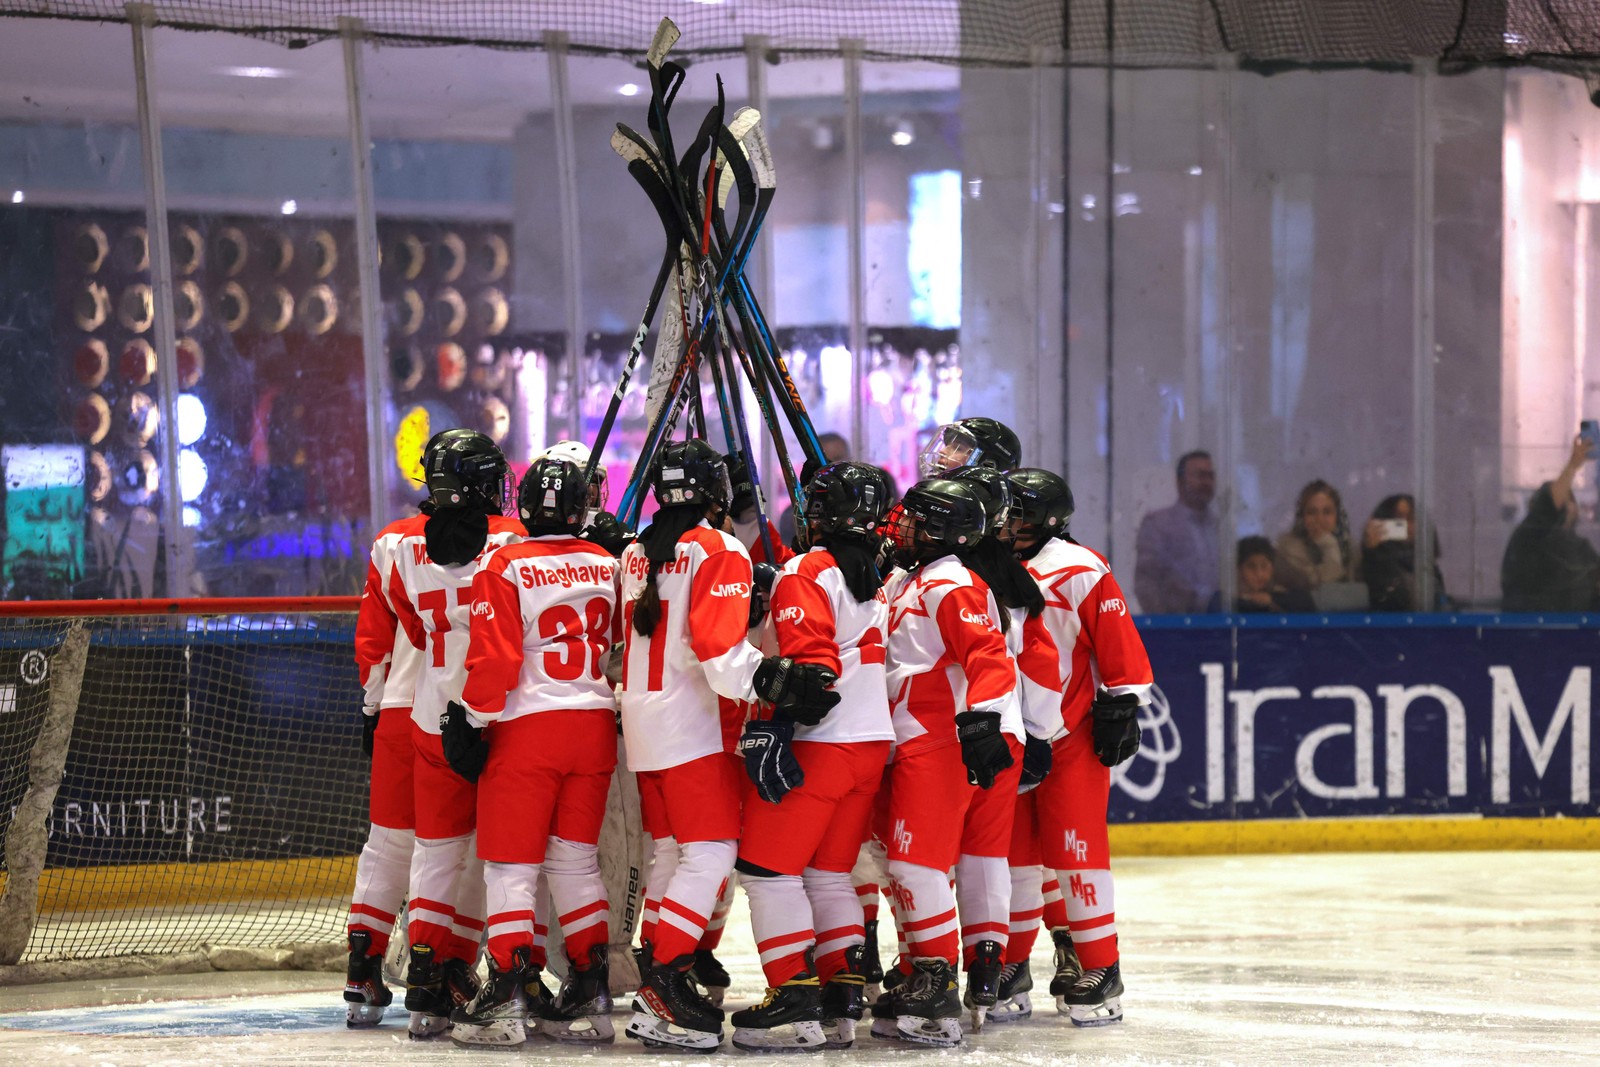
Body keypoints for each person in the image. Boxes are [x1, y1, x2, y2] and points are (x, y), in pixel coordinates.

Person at [616, 439, 839, 1052]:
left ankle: (668, 971)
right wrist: (771, 677)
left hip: (642, 724)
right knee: (711, 854)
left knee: (671, 854)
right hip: (692, 727)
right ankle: (663, 979)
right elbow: (718, 652)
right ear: (719, 494)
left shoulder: (638, 549)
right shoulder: (718, 547)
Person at [443, 457, 622, 1047]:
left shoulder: (505, 562)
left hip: (527, 729)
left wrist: (470, 717)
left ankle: (508, 990)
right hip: (594, 724)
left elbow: (495, 661)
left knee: (511, 867)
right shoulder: (606, 561)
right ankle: (590, 986)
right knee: (575, 863)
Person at [728, 462, 894, 1052]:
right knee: (828, 874)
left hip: (825, 743)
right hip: (873, 743)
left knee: (768, 874)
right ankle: (842, 994)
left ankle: (793, 997)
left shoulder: (808, 569)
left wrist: (777, 723)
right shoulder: (878, 572)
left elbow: (813, 671)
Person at [871, 477, 1026, 1048]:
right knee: (916, 864)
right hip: (910, 739)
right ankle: (928, 969)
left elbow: (988, 657)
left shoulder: (950, 583)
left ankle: (936, 984)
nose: (900, 526)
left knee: (916, 866)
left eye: (913, 519)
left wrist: (982, 718)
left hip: (935, 739)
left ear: (940, 530)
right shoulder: (909, 579)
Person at [385, 429, 526, 1038]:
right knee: (515, 860)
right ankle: (514, 974)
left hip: (430, 711)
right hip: (500, 716)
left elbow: (413, 630)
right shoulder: (516, 542)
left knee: (436, 854)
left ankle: (425, 977)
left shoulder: (403, 546)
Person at [1001, 467, 1151, 1027]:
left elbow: (1117, 643)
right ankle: (1012, 966)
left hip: (1070, 736)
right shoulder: (987, 568)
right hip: (1007, 735)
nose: (1009, 523)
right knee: (1010, 861)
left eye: (1019, 514)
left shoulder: (1080, 568)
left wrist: (1121, 703)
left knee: (1075, 855)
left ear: (1050, 520)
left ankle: (1100, 967)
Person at [344, 486, 429, 1027]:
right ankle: (437, 970)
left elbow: (373, 640)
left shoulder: (391, 540)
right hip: (470, 710)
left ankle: (362, 967)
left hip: (399, 708)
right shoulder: (507, 539)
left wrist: (373, 706)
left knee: (388, 843)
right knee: (453, 851)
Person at [1501, 435, 1600, 611]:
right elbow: (1547, 506)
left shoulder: (1580, 548)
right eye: (1565, 500)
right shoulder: (1528, 538)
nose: (1569, 506)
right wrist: (1573, 465)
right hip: (1531, 627)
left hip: (1577, 630)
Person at [1133, 451, 1219, 613]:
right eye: (1200, 476)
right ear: (1180, 482)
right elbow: (1146, 584)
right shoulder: (1158, 525)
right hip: (1175, 627)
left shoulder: (1220, 527)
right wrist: (1163, 626)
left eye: (1210, 476)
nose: (1206, 482)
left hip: (1219, 627)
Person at [1359, 494, 1447, 612]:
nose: (1405, 525)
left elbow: (1439, 603)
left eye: (1411, 518)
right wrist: (1371, 552)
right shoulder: (1374, 563)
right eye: (1398, 519)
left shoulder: (1427, 565)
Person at [1273, 480, 1357, 594]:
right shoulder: (1288, 549)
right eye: (1312, 512)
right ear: (1302, 517)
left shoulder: (1350, 547)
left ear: (1337, 516)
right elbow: (1320, 587)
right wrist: (1329, 546)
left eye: (1327, 512)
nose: (1319, 519)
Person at [776, 432, 852, 545]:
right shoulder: (795, 515)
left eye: (839, 460)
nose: (834, 468)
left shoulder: (865, 508)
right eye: (826, 462)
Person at [1235, 537, 1315, 613]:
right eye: (1251, 566)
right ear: (1239, 569)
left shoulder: (1290, 598)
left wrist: (1272, 600)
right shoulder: (1230, 602)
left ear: (1272, 568)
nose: (1259, 574)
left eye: (1264, 566)